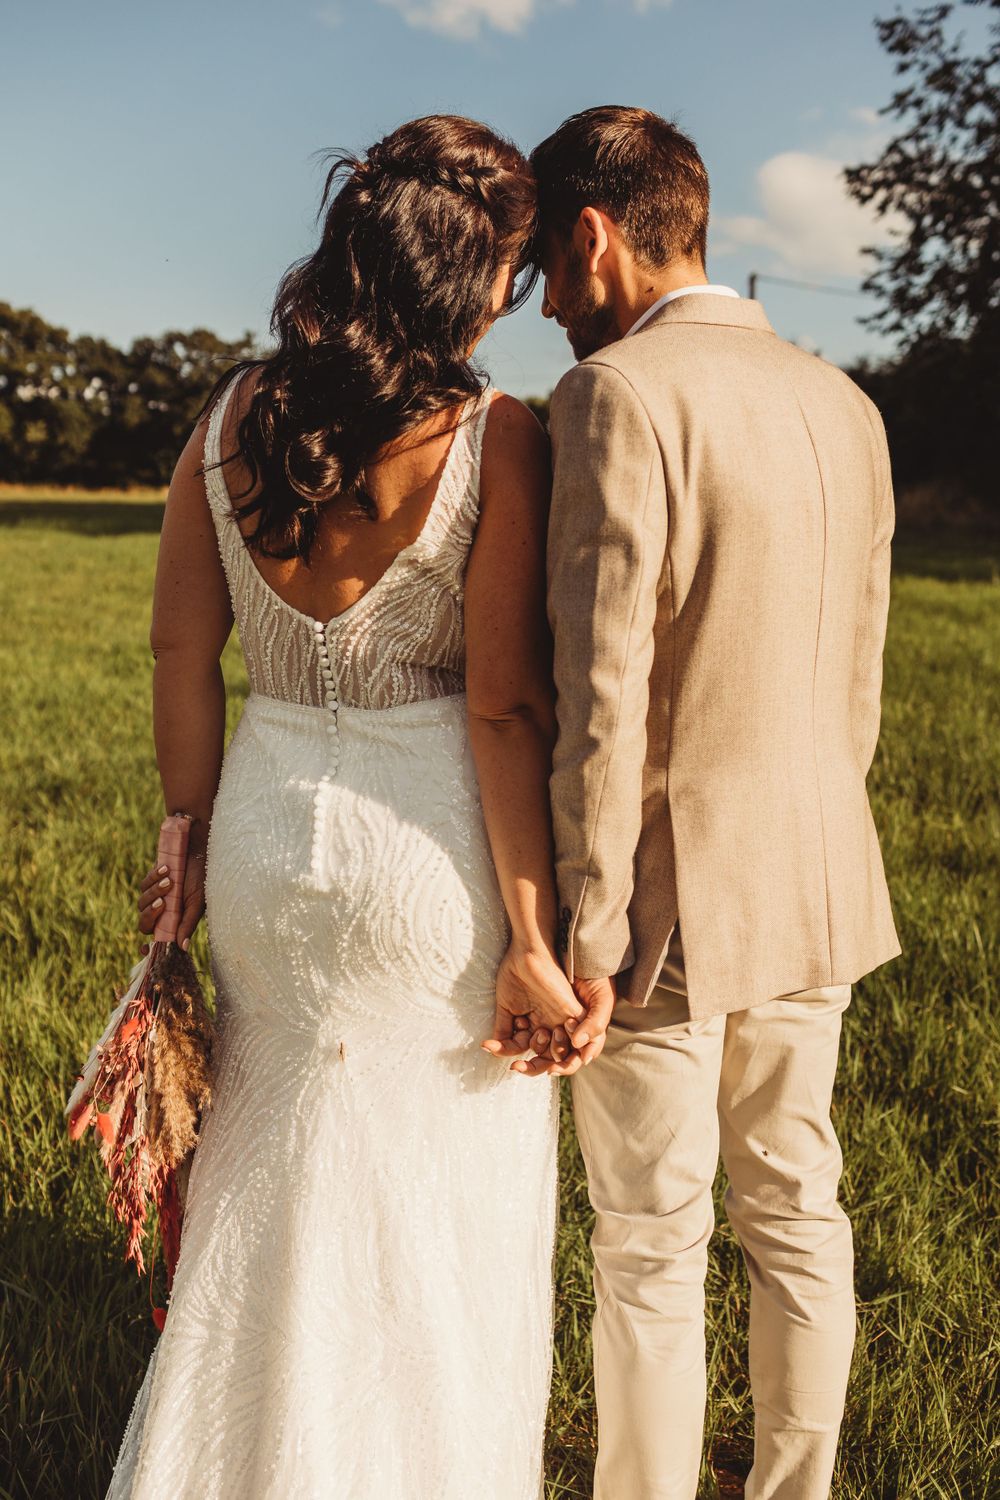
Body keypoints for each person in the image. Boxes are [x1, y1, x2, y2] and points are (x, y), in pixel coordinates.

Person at [107, 114, 583, 1500]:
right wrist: (536, 939)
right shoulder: (497, 435)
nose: (521, 294)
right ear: (473, 275)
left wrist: (183, 833)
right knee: (438, 1201)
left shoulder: (229, 415)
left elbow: (176, 651)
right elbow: (503, 706)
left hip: (263, 830)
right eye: (517, 266)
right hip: (427, 846)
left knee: (272, 1174)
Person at [524, 105, 901, 1500]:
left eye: (553, 276)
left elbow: (605, 692)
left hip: (669, 902)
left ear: (595, 237)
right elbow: (856, 678)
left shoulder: (617, 398)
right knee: (800, 1209)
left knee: (650, 1241)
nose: (553, 308)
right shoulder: (844, 403)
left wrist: (591, 929)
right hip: (820, 872)